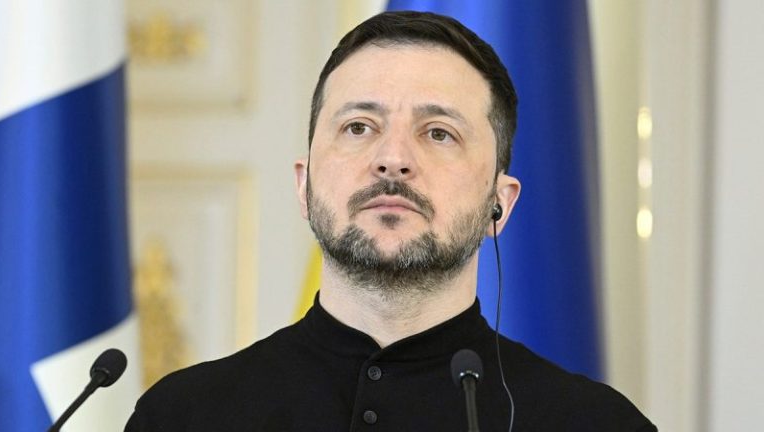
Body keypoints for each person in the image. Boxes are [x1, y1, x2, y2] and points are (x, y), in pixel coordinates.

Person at [125, 11, 656, 431]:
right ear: (304, 186)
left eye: (439, 133)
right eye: (359, 127)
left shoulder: (596, 424)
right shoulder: (182, 417)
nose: (393, 158)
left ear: (501, 204)